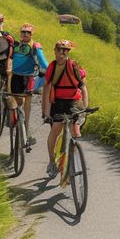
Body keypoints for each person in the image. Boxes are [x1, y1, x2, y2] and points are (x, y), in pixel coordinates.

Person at [42, 39, 89, 178]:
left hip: (73, 101)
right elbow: (46, 88)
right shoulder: (52, 67)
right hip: (57, 102)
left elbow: (83, 87)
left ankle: (74, 157)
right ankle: (52, 161)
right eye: (60, 49)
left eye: (66, 50)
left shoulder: (74, 67)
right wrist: (46, 112)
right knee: (56, 129)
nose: (63, 52)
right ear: (55, 51)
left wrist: (85, 108)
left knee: (75, 129)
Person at [10, 23, 48, 145]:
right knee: (17, 99)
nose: (25, 34)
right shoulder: (15, 45)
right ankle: (19, 115)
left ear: (31, 34)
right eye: (23, 32)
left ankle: (26, 125)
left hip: (29, 77)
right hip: (16, 76)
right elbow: (8, 58)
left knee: (28, 99)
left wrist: (49, 71)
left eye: (28, 33)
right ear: (20, 33)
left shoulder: (35, 46)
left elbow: (43, 61)